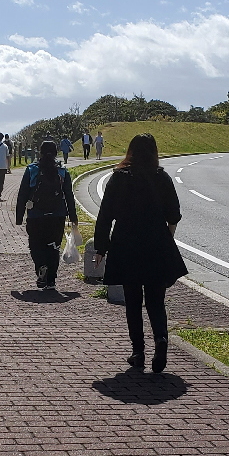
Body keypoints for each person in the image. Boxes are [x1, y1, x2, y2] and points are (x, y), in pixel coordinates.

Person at [92, 133, 186, 373]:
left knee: (132, 301)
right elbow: (174, 214)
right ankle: (161, 340)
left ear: (130, 152)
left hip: (126, 244)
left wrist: (101, 248)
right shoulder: (161, 177)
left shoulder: (119, 178)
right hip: (156, 243)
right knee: (156, 300)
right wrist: (167, 237)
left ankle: (138, 351)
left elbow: (105, 217)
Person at [16, 140, 77, 290]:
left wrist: (19, 216)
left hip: (36, 215)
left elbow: (22, 194)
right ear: (57, 153)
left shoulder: (32, 170)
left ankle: (41, 267)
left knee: (36, 245)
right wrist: (73, 217)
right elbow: (69, 195)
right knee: (54, 246)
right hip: (57, 215)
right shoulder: (62, 171)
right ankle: (51, 280)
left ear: (40, 152)